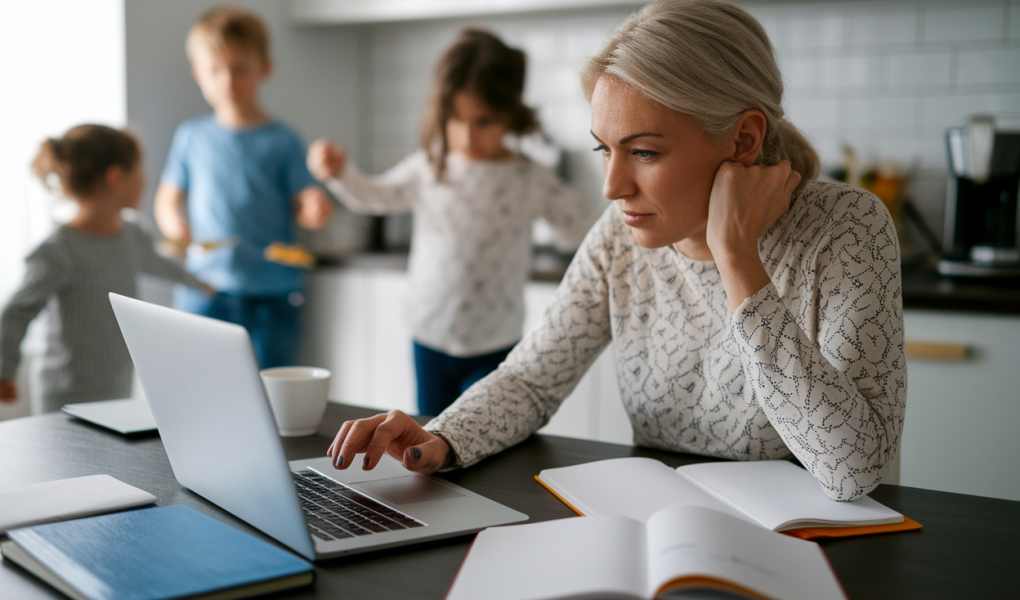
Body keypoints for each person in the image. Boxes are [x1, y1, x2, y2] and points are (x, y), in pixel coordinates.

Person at [324, 0, 906, 502]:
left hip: (804, 543)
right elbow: (532, 380)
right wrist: (441, 437)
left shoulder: (847, 228)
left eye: (645, 153)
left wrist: (736, 257)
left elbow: (852, 469)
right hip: (660, 522)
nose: (613, 187)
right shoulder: (620, 234)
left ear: (744, 139)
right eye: (605, 149)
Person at [307, 29, 591, 417]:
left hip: (496, 341)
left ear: (511, 111)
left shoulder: (530, 178)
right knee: (428, 436)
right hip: (429, 335)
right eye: (456, 119)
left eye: (484, 121)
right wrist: (341, 173)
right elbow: (376, 196)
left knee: (485, 434)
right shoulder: (431, 166)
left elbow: (581, 229)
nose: (468, 135)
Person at [154, 5, 332, 369]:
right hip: (203, 291)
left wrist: (315, 206)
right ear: (198, 74)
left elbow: (304, 201)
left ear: (264, 68)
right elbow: (167, 200)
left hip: (272, 296)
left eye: (240, 69)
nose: (228, 81)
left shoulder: (284, 140)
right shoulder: (191, 137)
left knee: (270, 396)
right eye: (216, 70)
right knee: (197, 383)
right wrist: (175, 225)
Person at [0, 125, 212, 413]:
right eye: (140, 170)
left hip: (116, 390)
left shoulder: (132, 235)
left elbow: (158, 264)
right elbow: (17, 311)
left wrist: (199, 283)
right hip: (64, 398)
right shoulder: (59, 251)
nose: (144, 180)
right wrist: (3, 370)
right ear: (116, 178)